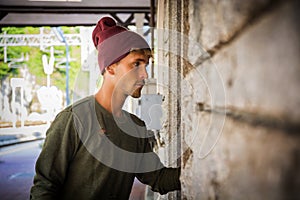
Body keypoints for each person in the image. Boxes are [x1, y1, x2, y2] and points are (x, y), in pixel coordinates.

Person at [30, 17, 181, 200]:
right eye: (136, 64)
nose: (145, 74)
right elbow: (44, 189)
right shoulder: (74, 119)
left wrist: (200, 166)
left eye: (146, 65)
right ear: (110, 67)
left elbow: (159, 178)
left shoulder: (136, 127)